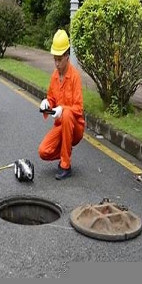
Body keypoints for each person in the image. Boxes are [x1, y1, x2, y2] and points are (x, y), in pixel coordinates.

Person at [38, 29, 85, 180]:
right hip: (60, 126)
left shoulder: (75, 76)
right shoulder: (54, 76)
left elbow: (78, 108)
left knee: (66, 114)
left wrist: (63, 109)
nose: (57, 64)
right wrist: (47, 103)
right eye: (55, 59)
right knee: (43, 151)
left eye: (59, 59)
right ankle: (66, 149)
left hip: (75, 127)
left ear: (67, 55)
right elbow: (52, 98)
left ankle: (66, 165)